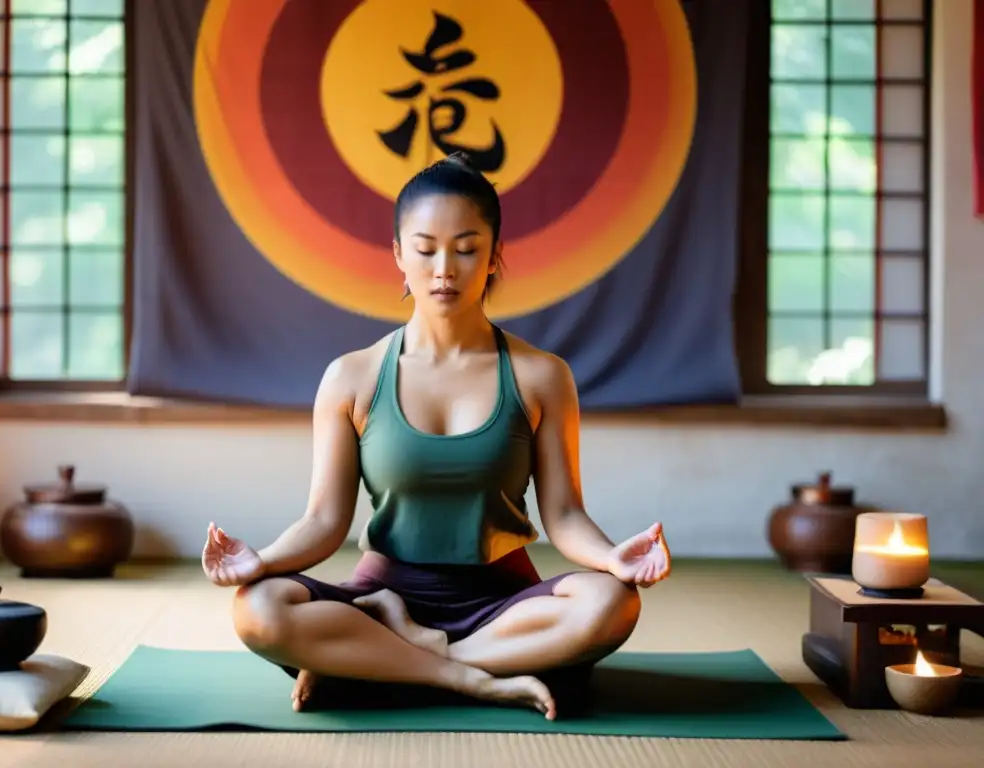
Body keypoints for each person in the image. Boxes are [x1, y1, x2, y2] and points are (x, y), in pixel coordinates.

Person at [201, 152, 672, 721]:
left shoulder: (543, 376)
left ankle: (379, 665)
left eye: (467, 247)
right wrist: (261, 562)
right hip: (379, 599)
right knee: (259, 609)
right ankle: (472, 679)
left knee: (611, 605)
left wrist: (614, 559)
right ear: (399, 255)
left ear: (496, 255)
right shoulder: (352, 376)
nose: (444, 267)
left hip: (501, 605)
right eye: (425, 250)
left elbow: (566, 515)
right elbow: (324, 522)